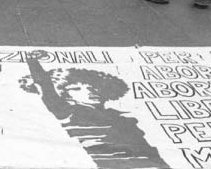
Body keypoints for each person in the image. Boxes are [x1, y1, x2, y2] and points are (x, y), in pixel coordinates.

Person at [20, 51, 167, 168]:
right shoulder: (67, 111)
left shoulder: (117, 116)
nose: (90, 91)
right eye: (77, 89)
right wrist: (32, 61)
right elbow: (44, 85)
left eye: (92, 87)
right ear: (67, 96)